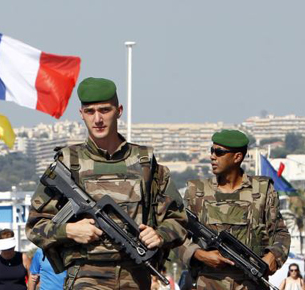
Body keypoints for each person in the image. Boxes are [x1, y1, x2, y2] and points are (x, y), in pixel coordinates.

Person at [26, 77, 187, 290]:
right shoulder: (69, 162)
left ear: (119, 111)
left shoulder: (144, 162)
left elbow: (178, 218)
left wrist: (160, 234)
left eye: (105, 110)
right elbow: (35, 227)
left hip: (136, 276)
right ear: (81, 114)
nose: (98, 119)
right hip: (85, 275)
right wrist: (70, 230)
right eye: (90, 111)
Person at [178, 129, 291, 290]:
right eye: (212, 151)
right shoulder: (196, 192)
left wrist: (274, 256)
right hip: (209, 283)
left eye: (219, 152)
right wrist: (200, 255)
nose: (212, 156)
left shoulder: (262, 191)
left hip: (251, 282)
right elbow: (176, 236)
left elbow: (281, 233)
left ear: (237, 157)